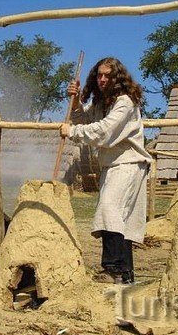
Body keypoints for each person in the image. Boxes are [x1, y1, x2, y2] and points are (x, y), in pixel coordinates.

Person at [60, 57, 153, 284]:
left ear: (117, 78)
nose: (102, 79)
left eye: (107, 75)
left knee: (110, 208)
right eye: (99, 75)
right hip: (112, 164)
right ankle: (125, 272)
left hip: (128, 163)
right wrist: (74, 104)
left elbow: (104, 132)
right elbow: (83, 119)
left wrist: (72, 132)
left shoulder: (125, 102)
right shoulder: (102, 104)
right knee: (122, 219)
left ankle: (112, 269)